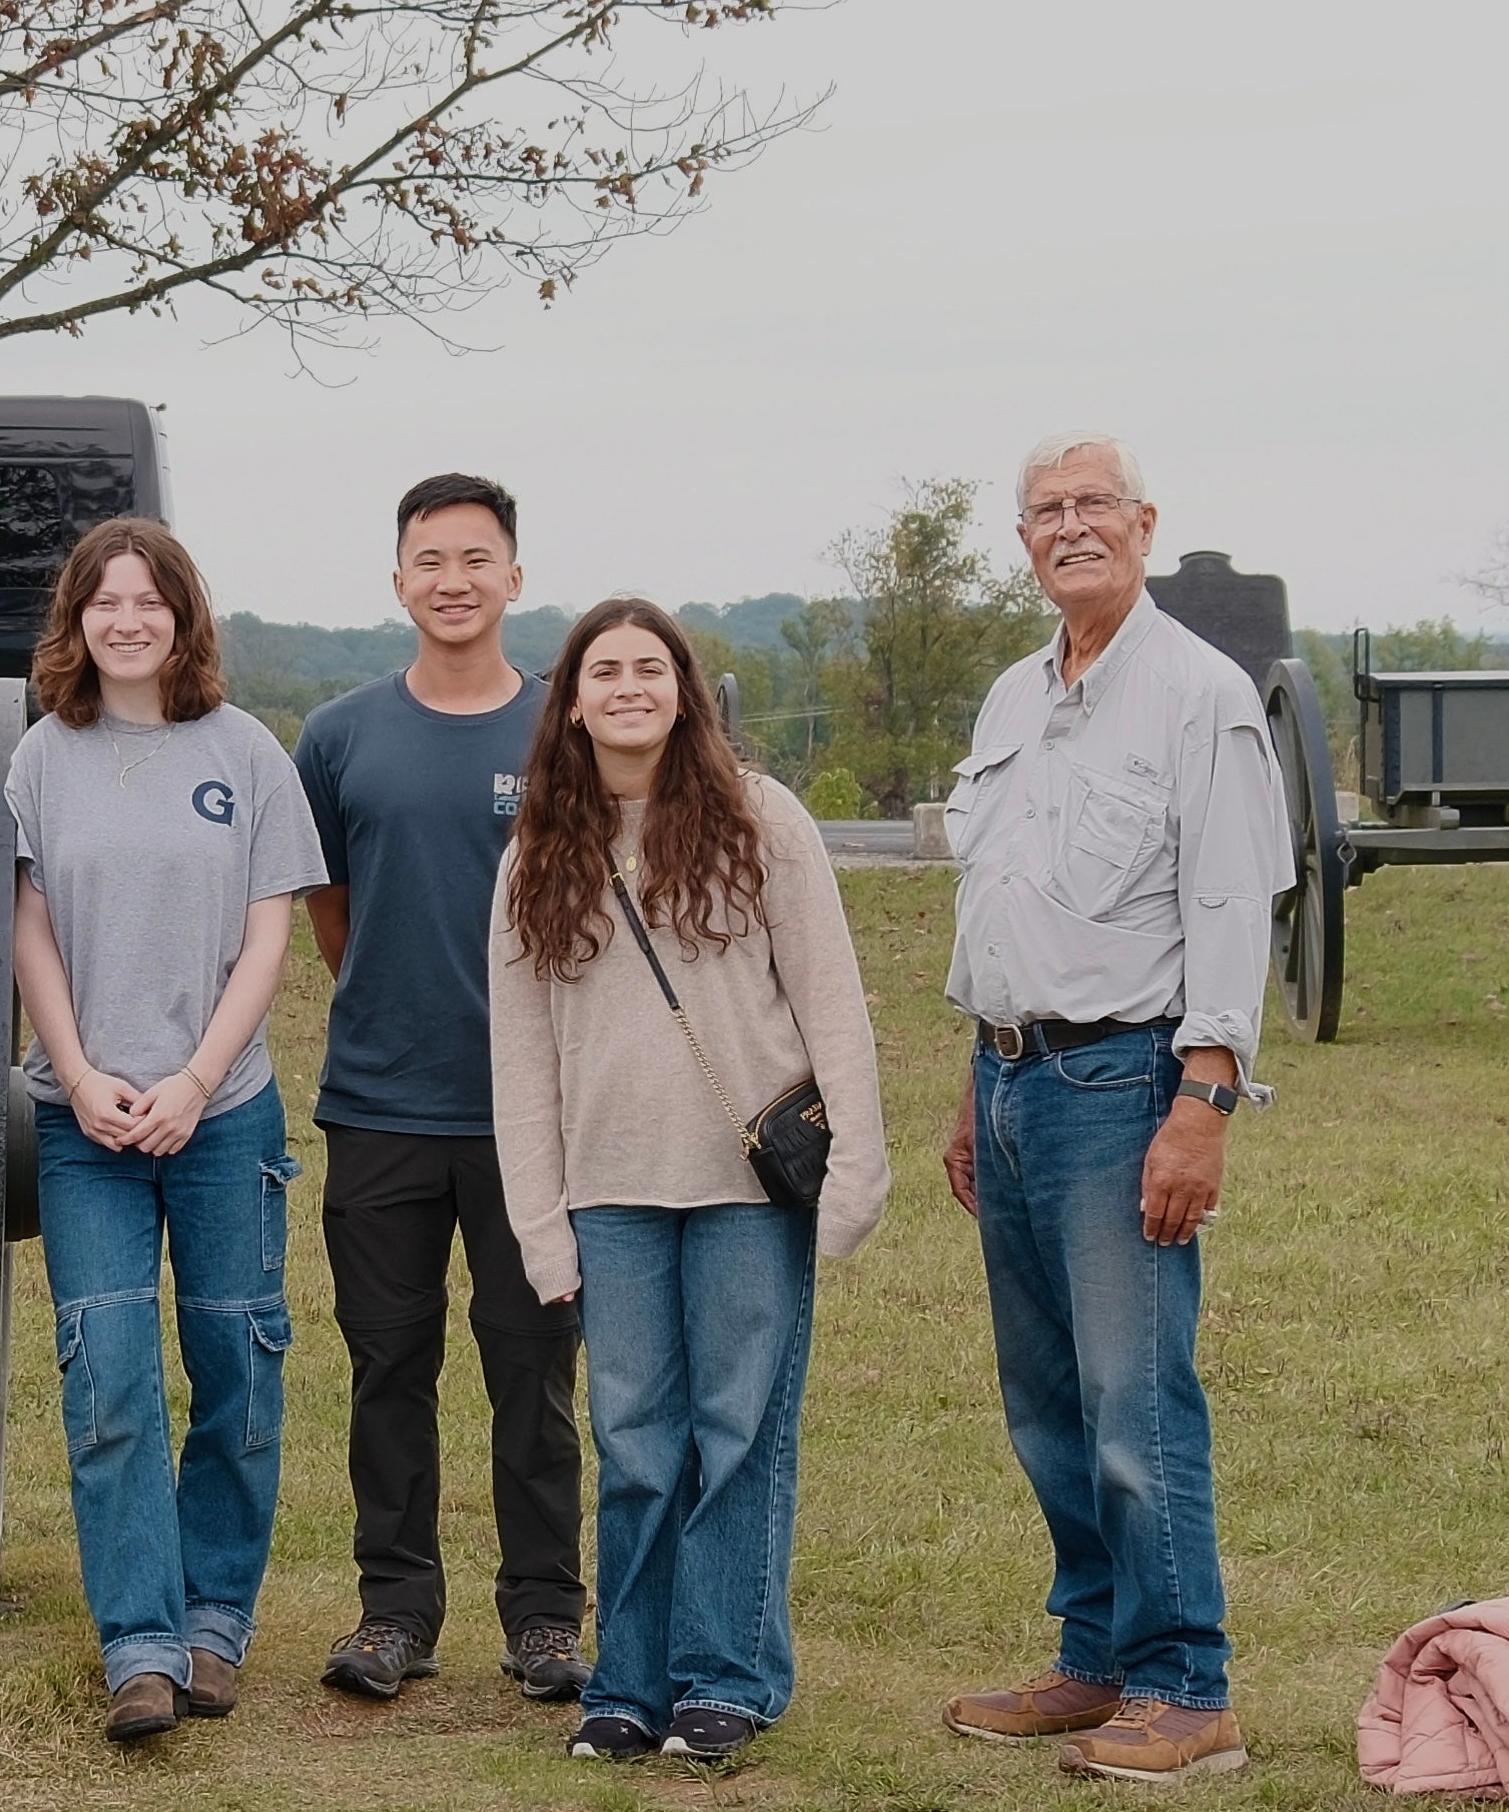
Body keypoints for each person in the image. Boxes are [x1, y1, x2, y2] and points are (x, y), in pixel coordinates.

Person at [935, 433, 1285, 1784]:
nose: (1068, 525)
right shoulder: (1010, 694)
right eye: (1043, 509)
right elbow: (997, 902)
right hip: (1012, 1074)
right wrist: (976, 1081)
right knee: (1042, 1399)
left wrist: (1199, 1099)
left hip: (1120, 1078)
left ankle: (1185, 1684)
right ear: (1021, 539)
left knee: (1132, 1396)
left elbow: (1225, 907)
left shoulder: (1196, 694)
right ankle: (1091, 1660)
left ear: (1141, 521)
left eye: (1091, 503)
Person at [487, 600, 891, 1763]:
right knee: (635, 1438)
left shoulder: (761, 822)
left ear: (684, 690)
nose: (625, 686)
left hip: (744, 1189)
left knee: (736, 1431)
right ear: (569, 700)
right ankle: (628, 1680)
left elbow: (831, 1004)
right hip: (607, 1191)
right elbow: (517, 1058)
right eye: (601, 669)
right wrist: (538, 1223)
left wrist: (855, 1166)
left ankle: (724, 1674)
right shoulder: (534, 858)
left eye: (647, 667)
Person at [10, 517, 329, 1744]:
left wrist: (196, 1079)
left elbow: (268, 934)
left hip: (220, 1108)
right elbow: (29, 930)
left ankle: (211, 1626)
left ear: (182, 615)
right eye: (104, 600)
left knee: (237, 1367)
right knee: (110, 1378)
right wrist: (80, 1073)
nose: (126, 619)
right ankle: (137, 1645)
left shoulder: (243, 751)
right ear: (76, 619)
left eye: (148, 599)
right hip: (84, 1116)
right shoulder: (43, 757)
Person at [291, 473, 589, 1703]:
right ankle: (394, 1611)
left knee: (533, 1376)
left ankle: (544, 1619)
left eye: (476, 557)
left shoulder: (564, 730)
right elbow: (330, 910)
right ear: (398, 579)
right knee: (386, 1370)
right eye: (429, 558)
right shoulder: (339, 734)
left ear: (514, 577)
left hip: (537, 1118)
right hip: (378, 1108)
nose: (453, 579)